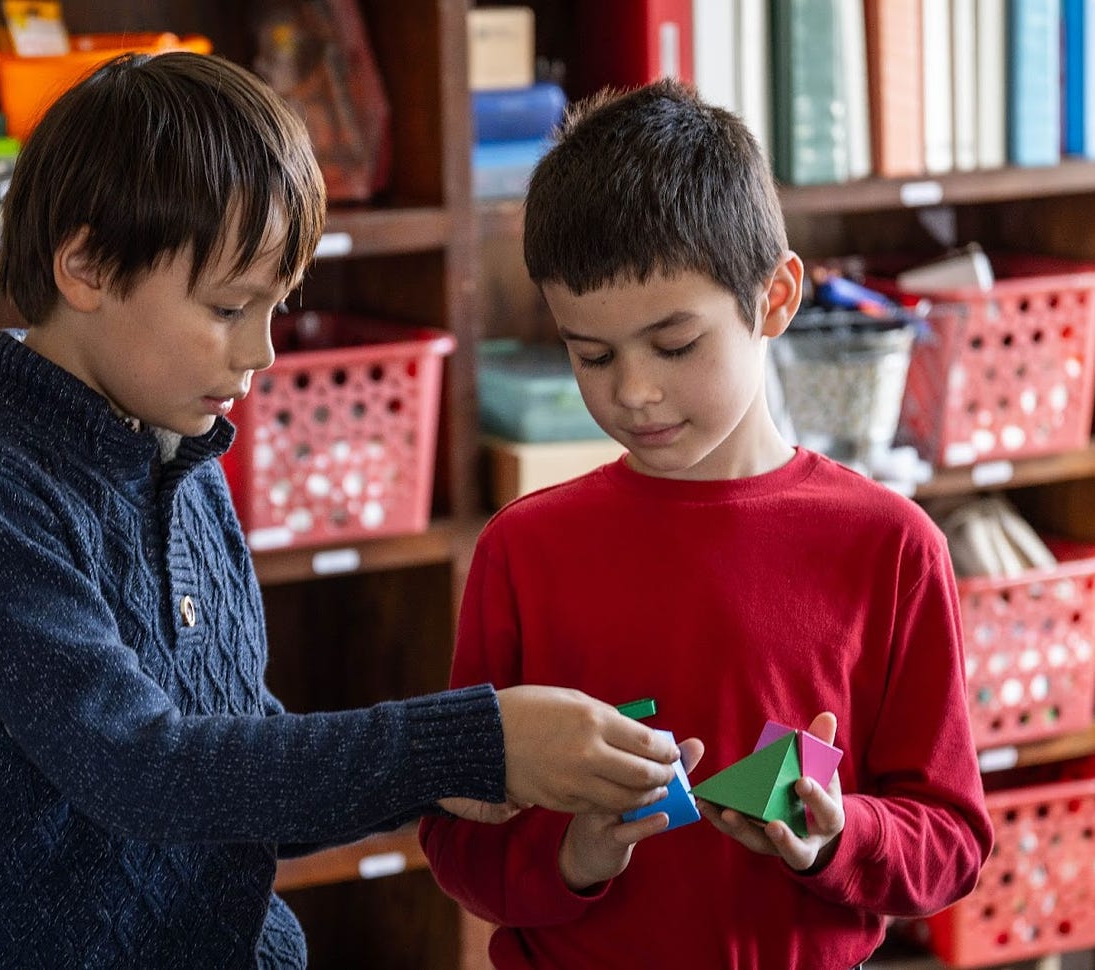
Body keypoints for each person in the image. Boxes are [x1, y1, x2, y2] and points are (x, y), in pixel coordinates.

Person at [0, 52, 684, 968]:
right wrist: (467, 745)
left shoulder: (187, 460)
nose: (261, 353)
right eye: (227, 306)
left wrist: (462, 776)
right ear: (85, 266)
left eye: (276, 307)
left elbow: (236, 764)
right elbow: (143, 769)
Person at [419, 79, 994, 969]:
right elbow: (458, 841)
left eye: (675, 345)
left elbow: (952, 839)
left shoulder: (891, 547)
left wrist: (839, 837)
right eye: (591, 354)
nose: (633, 391)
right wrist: (574, 855)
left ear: (774, 299)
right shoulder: (523, 552)